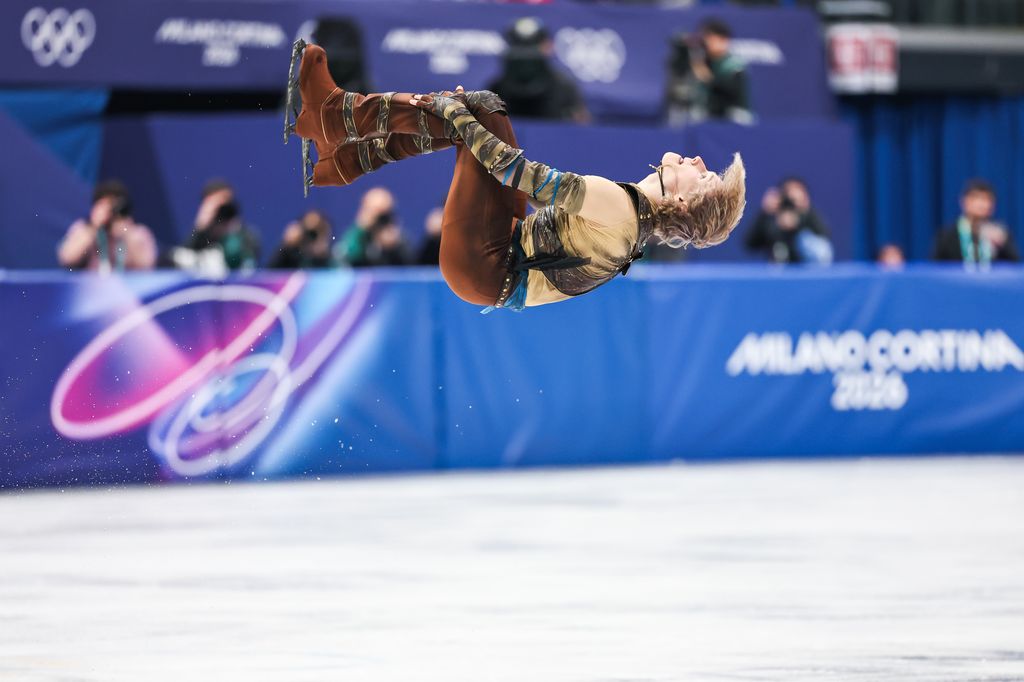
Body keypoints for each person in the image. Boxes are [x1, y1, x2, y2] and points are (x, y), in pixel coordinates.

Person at [286, 41, 746, 310]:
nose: (701, 164)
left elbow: (514, 171)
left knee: (475, 114)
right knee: (482, 111)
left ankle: (334, 120)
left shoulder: (621, 208)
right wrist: (463, 117)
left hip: (483, 264)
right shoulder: (632, 222)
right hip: (499, 259)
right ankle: (343, 158)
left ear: (683, 204)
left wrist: (455, 114)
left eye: (704, 179)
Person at [484, 17, 590, 124]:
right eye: (520, 47)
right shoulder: (497, 89)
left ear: (548, 47)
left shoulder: (564, 87)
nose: (526, 56)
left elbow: (581, 128)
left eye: (532, 48)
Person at [57, 180, 156, 273]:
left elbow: (147, 266)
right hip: (92, 288)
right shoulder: (83, 229)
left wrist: (126, 234)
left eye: (115, 206)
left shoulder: (138, 232)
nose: (111, 211)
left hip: (130, 288)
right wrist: (94, 228)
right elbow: (67, 259)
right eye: (105, 205)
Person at [667, 19, 753, 126]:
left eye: (711, 39)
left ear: (724, 40)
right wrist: (685, 50)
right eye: (705, 39)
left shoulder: (734, 64)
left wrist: (704, 74)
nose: (707, 43)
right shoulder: (703, 60)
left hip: (733, 116)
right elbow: (676, 67)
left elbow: (729, 90)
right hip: (707, 115)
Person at [173, 180, 260, 276]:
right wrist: (200, 225)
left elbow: (248, 265)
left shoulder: (247, 235)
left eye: (226, 201)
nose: (222, 209)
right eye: (217, 205)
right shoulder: (201, 236)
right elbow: (183, 258)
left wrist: (232, 230)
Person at [745, 177, 832, 264]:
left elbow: (824, 238)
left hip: (807, 270)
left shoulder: (808, 214)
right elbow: (750, 243)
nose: (790, 198)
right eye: (787, 192)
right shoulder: (772, 217)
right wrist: (764, 213)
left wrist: (799, 221)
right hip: (779, 271)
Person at [932, 180, 1019, 265]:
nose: (981, 204)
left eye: (986, 199)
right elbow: (934, 269)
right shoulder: (947, 235)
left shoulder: (1000, 234)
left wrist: (1002, 243)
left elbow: (1016, 267)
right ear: (964, 202)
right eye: (976, 198)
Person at [335, 187, 402, 267]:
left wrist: (393, 247)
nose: (379, 220)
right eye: (375, 212)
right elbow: (345, 258)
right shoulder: (357, 236)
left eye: (383, 215)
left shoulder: (398, 240)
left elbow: (410, 268)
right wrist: (361, 230)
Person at [269, 209, 335, 269]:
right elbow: (269, 276)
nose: (311, 237)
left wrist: (323, 256)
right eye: (308, 232)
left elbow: (337, 275)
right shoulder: (290, 254)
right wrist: (286, 246)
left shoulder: (329, 257)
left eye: (314, 233)